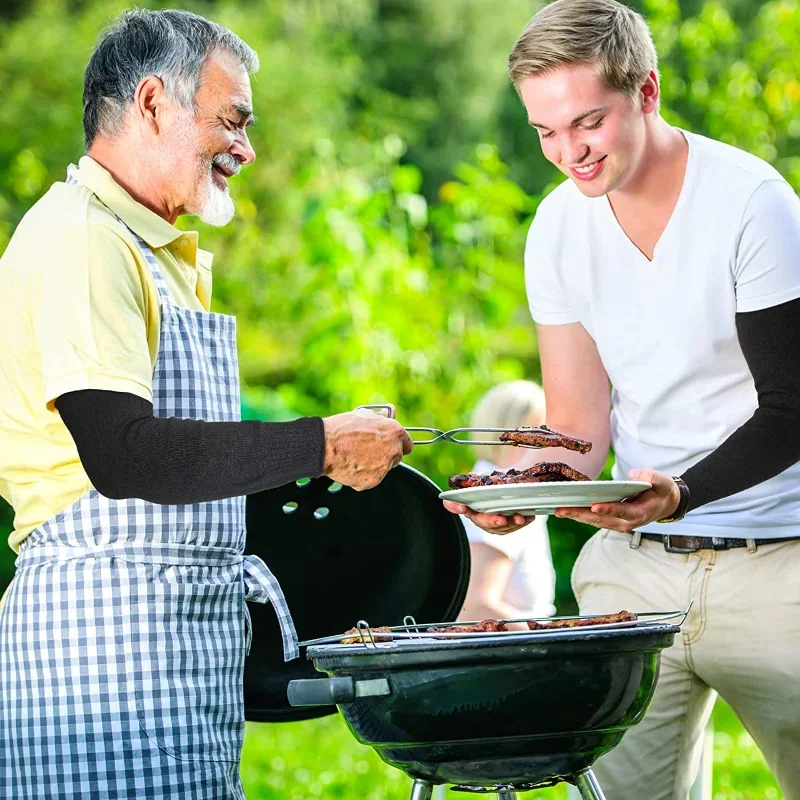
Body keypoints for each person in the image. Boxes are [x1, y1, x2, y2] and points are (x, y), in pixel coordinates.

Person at [0, 9, 412, 798]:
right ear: (152, 103)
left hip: (162, 647)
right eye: (232, 120)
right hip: (102, 658)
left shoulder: (147, 245)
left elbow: (186, 462)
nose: (247, 149)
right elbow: (124, 455)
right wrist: (321, 444)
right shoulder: (85, 240)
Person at [444, 1, 800, 798]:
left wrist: (685, 492)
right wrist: (520, 491)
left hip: (779, 563)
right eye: (545, 132)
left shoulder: (753, 204)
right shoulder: (557, 228)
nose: (568, 153)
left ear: (646, 91)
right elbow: (576, 428)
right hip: (635, 576)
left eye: (587, 123)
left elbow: (792, 407)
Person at [457, 381, 556, 624]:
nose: (550, 446)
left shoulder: (489, 487)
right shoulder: (502, 497)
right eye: (536, 435)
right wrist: (556, 642)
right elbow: (477, 607)